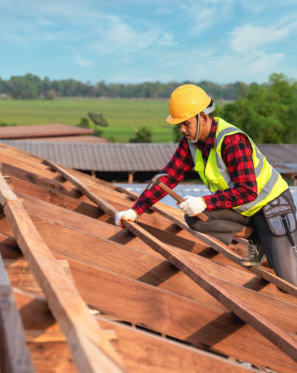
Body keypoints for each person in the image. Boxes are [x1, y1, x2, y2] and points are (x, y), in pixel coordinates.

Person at [115, 84, 297, 286]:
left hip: (272, 207)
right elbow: (167, 178)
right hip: (245, 209)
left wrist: (204, 201)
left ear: (203, 117)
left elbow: (248, 191)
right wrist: (134, 211)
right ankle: (259, 237)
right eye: (180, 125)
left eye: (186, 124)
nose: (182, 130)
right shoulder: (190, 143)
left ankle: (267, 238)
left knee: (289, 281)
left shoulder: (231, 140)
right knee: (196, 219)